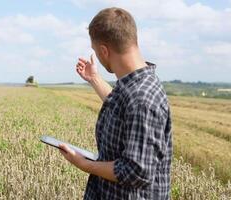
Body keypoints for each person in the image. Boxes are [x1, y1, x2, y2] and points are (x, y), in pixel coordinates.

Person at [58, 7, 173, 199]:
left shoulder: (142, 99)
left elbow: (136, 172)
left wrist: (85, 164)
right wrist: (94, 78)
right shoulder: (134, 84)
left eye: (96, 51)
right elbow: (120, 106)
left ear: (104, 51)